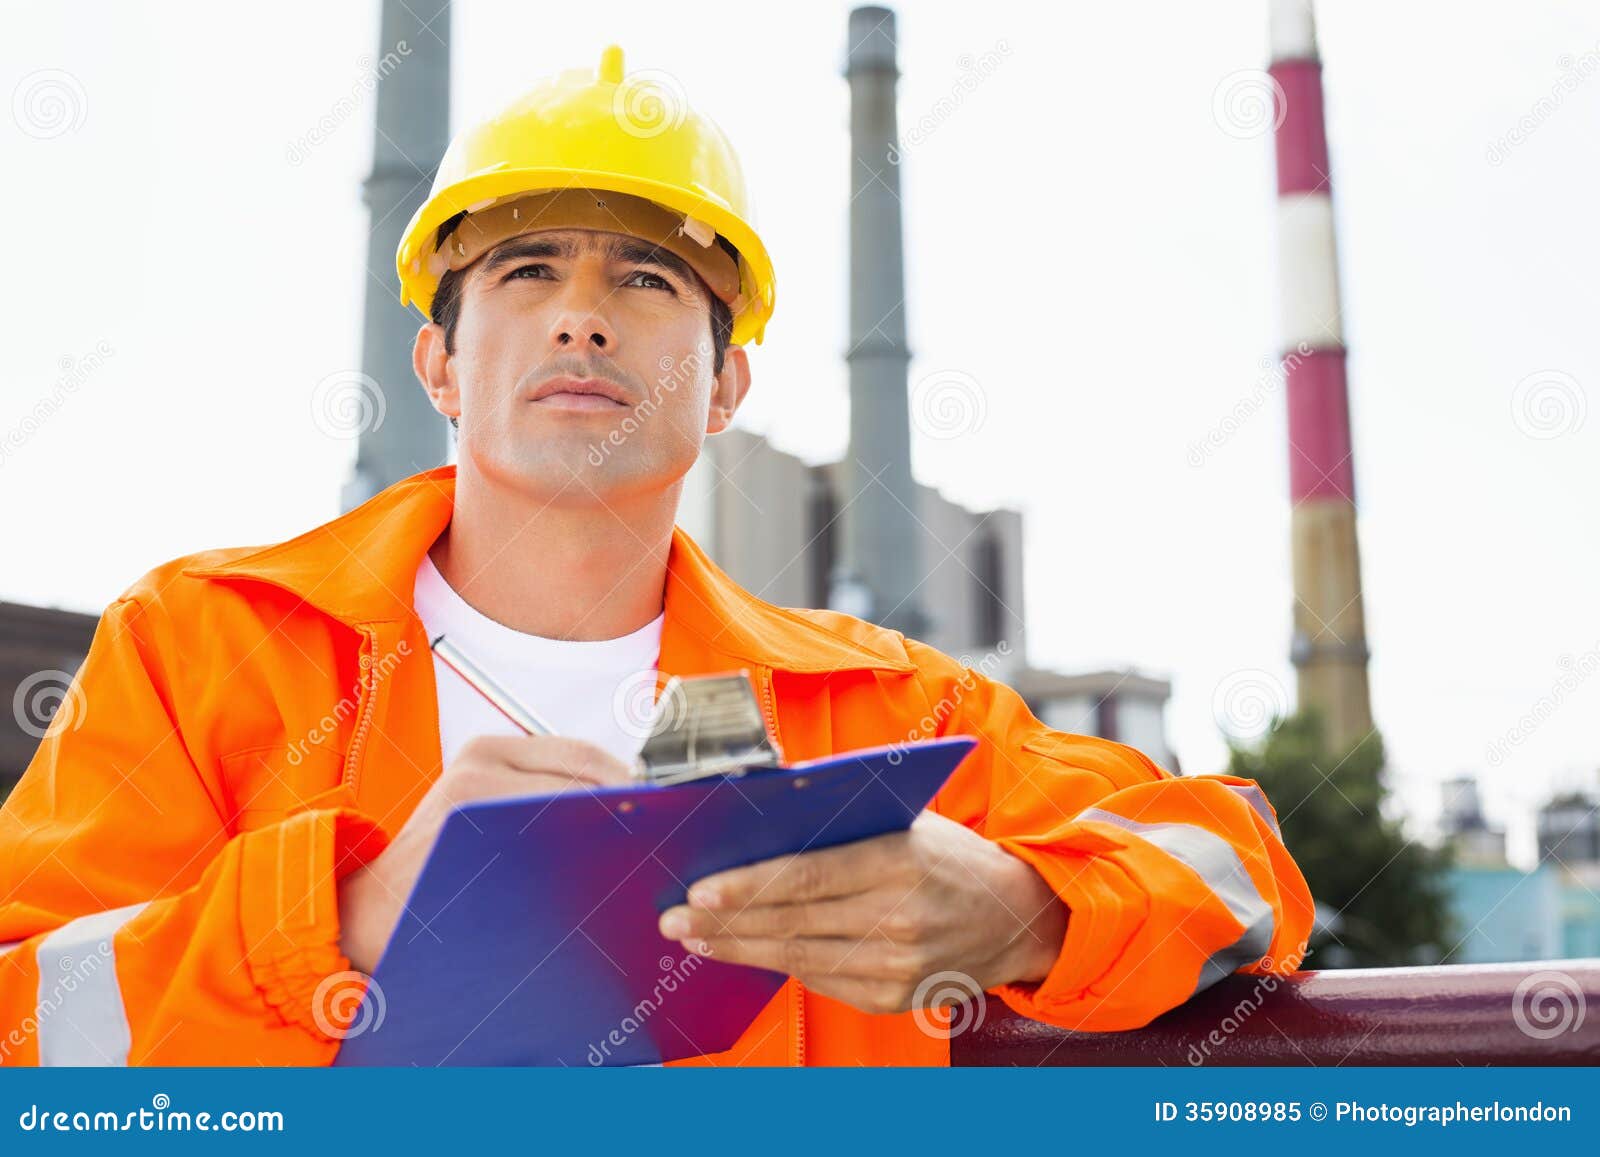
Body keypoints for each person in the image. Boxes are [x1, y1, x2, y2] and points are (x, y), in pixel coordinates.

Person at [0, 46, 1312, 1066]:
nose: (581, 317)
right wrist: (334, 920)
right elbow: (23, 1019)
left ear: (728, 381)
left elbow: (1241, 867)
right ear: (439, 361)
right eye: (525, 272)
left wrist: (1029, 906)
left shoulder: (884, 714)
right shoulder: (205, 651)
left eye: (645, 280)